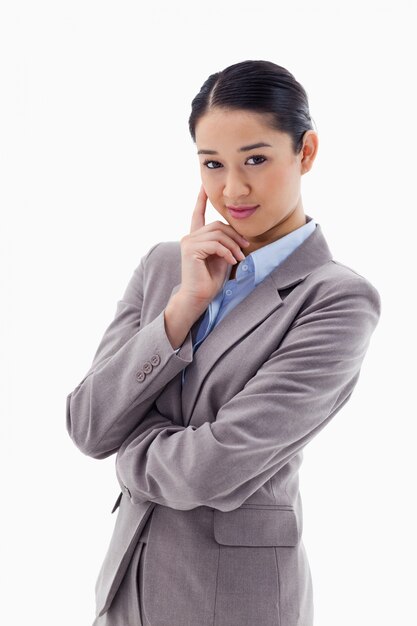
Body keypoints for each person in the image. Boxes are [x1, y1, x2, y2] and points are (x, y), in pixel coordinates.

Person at [66, 60, 382, 626]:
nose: (232, 189)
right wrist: (180, 310)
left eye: (256, 160)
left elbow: (207, 472)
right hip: (123, 594)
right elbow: (90, 426)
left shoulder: (336, 299)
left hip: (236, 604)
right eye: (212, 164)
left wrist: (130, 451)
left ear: (305, 152)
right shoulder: (166, 267)